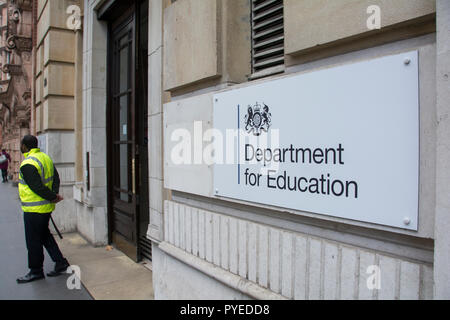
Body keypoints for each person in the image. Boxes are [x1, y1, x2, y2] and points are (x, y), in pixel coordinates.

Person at [16, 135, 70, 284]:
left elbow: (37, 187)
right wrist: (53, 195)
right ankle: (61, 262)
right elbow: (56, 178)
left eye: (21, 144)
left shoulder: (28, 163)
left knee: (33, 241)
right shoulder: (45, 158)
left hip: (34, 209)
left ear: (26, 146)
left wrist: (53, 197)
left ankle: (36, 271)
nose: (21, 147)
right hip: (44, 207)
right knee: (45, 235)